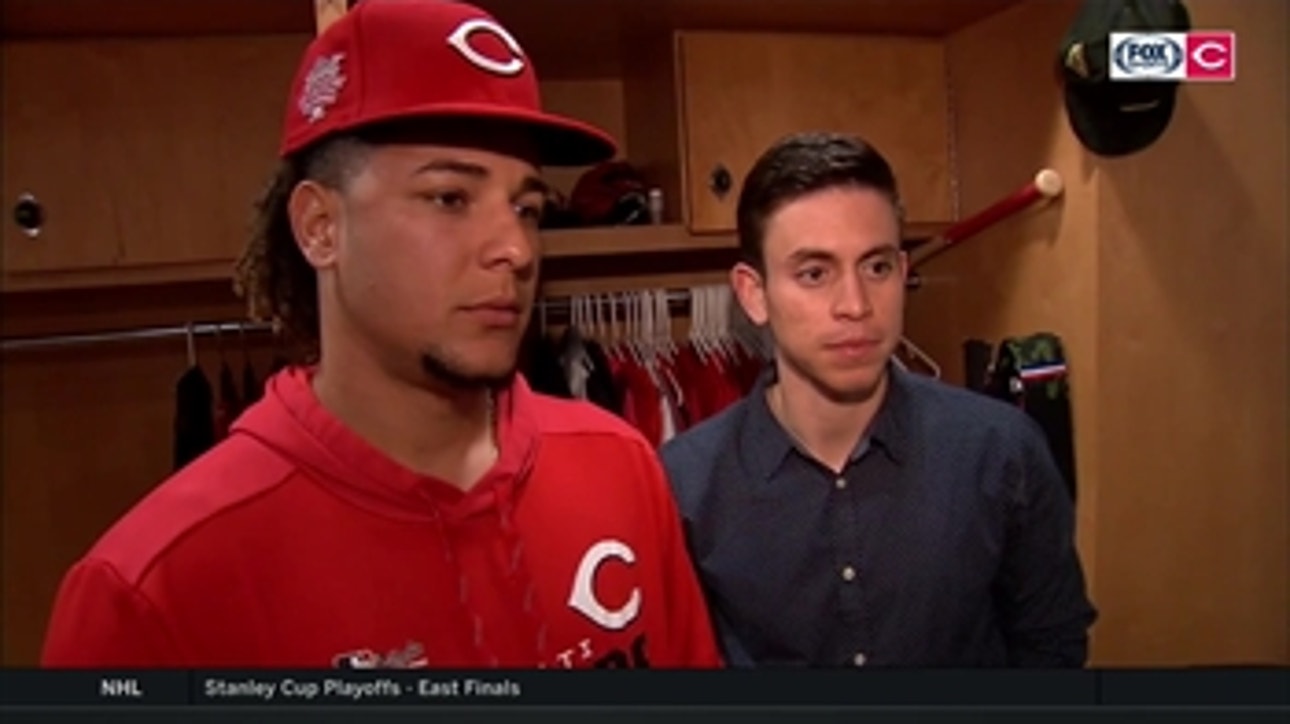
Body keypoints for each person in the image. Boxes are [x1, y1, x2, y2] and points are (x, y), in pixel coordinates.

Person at [42, 0, 721, 670]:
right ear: (319, 227)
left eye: (527, 207)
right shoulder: (152, 590)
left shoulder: (620, 467)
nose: (514, 248)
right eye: (450, 198)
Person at [659, 132, 1097, 668]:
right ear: (754, 294)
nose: (856, 304)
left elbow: (1052, 646)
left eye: (877, 267)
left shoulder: (1000, 451)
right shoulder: (684, 486)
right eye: (815, 273)